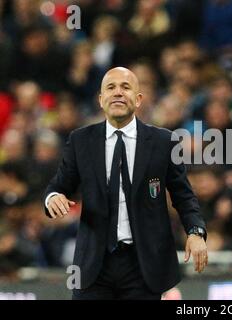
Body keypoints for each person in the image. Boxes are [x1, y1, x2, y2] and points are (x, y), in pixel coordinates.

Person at [43, 67, 208, 300]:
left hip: (143, 266)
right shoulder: (80, 141)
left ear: (138, 99)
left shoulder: (164, 142)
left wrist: (195, 232)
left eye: (126, 87)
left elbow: (183, 196)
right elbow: (58, 187)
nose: (118, 93)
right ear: (101, 100)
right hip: (93, 266)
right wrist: (54, 197)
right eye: (111, 87)